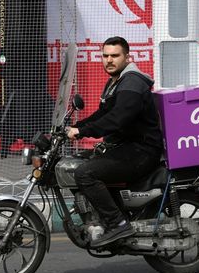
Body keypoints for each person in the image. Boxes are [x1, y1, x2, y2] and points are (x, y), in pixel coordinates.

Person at [66, 36, 164, 247]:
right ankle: (105, 216)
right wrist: (72, 127)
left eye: (115, 56)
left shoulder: (132, 83)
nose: (109, 60)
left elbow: (117, 119)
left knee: (85, 173)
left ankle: (118, 224)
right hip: (127, 147)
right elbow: (102, 114)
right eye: (105, 55)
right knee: (81, 160)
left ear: (127, 57)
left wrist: (81, 131)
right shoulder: (116, 82)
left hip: (141, 151)